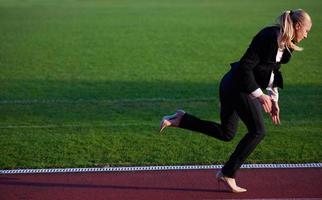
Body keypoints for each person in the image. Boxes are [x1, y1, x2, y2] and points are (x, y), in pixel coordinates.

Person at [159, 9, 312, 193]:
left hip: (237, 86)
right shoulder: (269, 36)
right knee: (258, 131)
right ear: (297, 26)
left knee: (227, 133)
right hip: (236, 85)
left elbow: (272, 72)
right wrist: (260, 95)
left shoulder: (286, 47)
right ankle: (227, 173)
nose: (306, 35)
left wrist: (273, 97)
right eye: (306, 30)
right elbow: (245, 68)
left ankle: (181, 119)